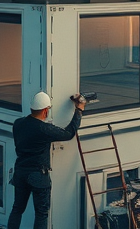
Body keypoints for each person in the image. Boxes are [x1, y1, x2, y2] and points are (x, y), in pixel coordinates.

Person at [7, 91, 87, 229]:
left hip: (20, 172)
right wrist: (79, 109)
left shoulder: (18, 123)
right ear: (45, 111)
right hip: (38, 175)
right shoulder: (44, 129)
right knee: (41, 213)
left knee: (17, 209)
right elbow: (68, 133)